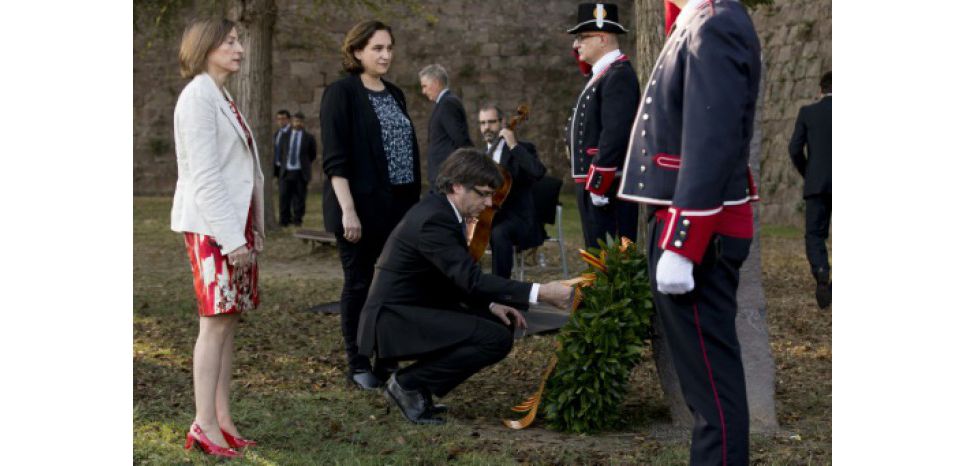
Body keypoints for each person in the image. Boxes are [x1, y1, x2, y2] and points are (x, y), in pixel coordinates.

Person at [618, 0, 762, 464]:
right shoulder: (702, 21)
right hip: (693, 225)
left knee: (713, 392)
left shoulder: (715, 24)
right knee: (707, 388)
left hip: (702, 231)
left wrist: (683, 243)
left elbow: (711, 141)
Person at [357, 148, 574, 425]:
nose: (488, 203)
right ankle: (409, 384)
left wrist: (491, 304)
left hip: (418, 305)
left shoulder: (442, 210)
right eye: (482, 193)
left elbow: (454, 278)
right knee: (494, 338)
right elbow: (471, 279)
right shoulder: (435, 219)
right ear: (457, 186)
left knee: (501, 325)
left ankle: (417, 386)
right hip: (395, 318)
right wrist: (541, 292)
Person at [171, 17, 264, 459]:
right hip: (212, 226)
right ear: (205, 47)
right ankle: (202, 424)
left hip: (232, 225)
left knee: (227, 321)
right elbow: (205, 176)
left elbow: (242, 171)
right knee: (213, 323)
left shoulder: (222, 96)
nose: (239, 48)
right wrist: (232, 238)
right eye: (229, 41)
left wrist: (250, 230)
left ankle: (222, 420)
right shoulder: (197, 97)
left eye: (238, 40)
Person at [319, 20, 421, 391]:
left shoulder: (395, 93)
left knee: (393, 286)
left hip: (399, 208)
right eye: (377, 48)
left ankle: (387, 359)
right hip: (358, 209)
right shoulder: (341, 93)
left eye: (389, 48)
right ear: (357, 51)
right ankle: (358, 362)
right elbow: (335, 159)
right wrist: (348, 210)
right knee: (360, 284)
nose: (386, 55)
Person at [565, 3, 640, 249]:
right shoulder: (603, 74)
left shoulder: (618, 75)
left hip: (608, 187)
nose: (576, 45)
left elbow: (616, 133)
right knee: (597, 258)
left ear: (602, 38)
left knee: (612, 259)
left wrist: (599, 181)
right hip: (593, 185)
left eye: (582, 37)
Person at [477, 103, 546, 278]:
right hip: (488, 217)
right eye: (482, 123)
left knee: (498, 233)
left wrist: (513, 144)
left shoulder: (523, 149)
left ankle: (501, 289)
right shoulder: (479, 157)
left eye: (491, 122)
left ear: (503, 122)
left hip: (518, 218)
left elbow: (538, 172)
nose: (487, 127)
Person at [789, 71, 832, 309]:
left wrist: (810, 173)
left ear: (820, 89)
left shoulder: (808, 113)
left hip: (817, 184)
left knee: (815, 234)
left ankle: (822, 271)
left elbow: (794, 149)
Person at [420, 64, 473, 188]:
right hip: (444, 174)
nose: (423, 91)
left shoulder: (447, 103)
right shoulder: (445, 103)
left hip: (447, 175)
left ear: (436, 82)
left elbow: (460, 139)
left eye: (425, 86)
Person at [278, 112, 317, 227]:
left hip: (300, 172)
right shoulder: (285, 136)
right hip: (286, 171)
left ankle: (297, 220)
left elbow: (312, 154)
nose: (297, 123)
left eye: (300, 121)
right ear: (291, 122)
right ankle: (284, 220)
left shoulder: (309, 138)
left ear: (303, 123)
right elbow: (281, 153)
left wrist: (304, 163)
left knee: (299, 197)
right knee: (284, 197)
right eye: (295, 121)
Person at [272, 109, 292, 179]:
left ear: (288, 119)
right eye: (279, 119)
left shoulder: (292, 133)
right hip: (278, 167)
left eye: (283, 119)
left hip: (289, 168)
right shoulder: (277, 134)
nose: (280, 121)